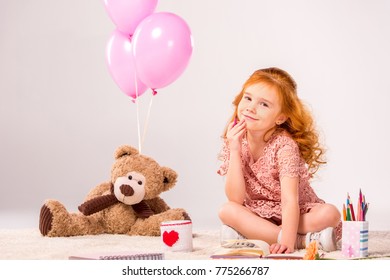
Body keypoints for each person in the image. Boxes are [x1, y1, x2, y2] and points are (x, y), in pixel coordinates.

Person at [217, 67, 341, 254]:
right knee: (227, 210)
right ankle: (303, 241)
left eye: (264, 104)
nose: (251, 107)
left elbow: (290, 199)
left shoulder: (284, 146)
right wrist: (234, 149)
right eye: (248, 98)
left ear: (280, 117)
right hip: (258, 212)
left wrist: (287, 243)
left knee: (330, 214)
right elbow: (235, 198)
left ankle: (259, 235)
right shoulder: (235, 139)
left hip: (294, 210)